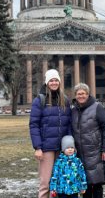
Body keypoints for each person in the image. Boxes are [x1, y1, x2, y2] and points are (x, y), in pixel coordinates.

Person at [29, 69, 72, 198]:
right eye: (51, 80)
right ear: (47, 83)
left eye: (56, 80)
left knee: (60, 181)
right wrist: (37, 147)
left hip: (61, 148)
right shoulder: (39, 100)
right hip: (46, 147)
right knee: (45, 183)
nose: (54, 83)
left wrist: (69, 146)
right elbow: (34, 125)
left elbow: (68, 124)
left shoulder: (65, 100)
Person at [71, 83, 105, 198]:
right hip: (80, 152)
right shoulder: (73, 110)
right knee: (85, 184)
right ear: (75, 95)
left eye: (83, 93)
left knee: (97, 183)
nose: (81, 96)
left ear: (88, 94)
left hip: (96, 151)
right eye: (78, 94)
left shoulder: (97, 107)